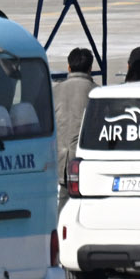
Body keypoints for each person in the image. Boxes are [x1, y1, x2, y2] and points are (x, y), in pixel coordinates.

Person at [53, 48, 96, 199]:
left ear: (69, 67)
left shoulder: (55, 91)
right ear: (90, 69)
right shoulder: (96, 93)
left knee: (63, 205)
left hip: (59, 162)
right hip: (84, 162)